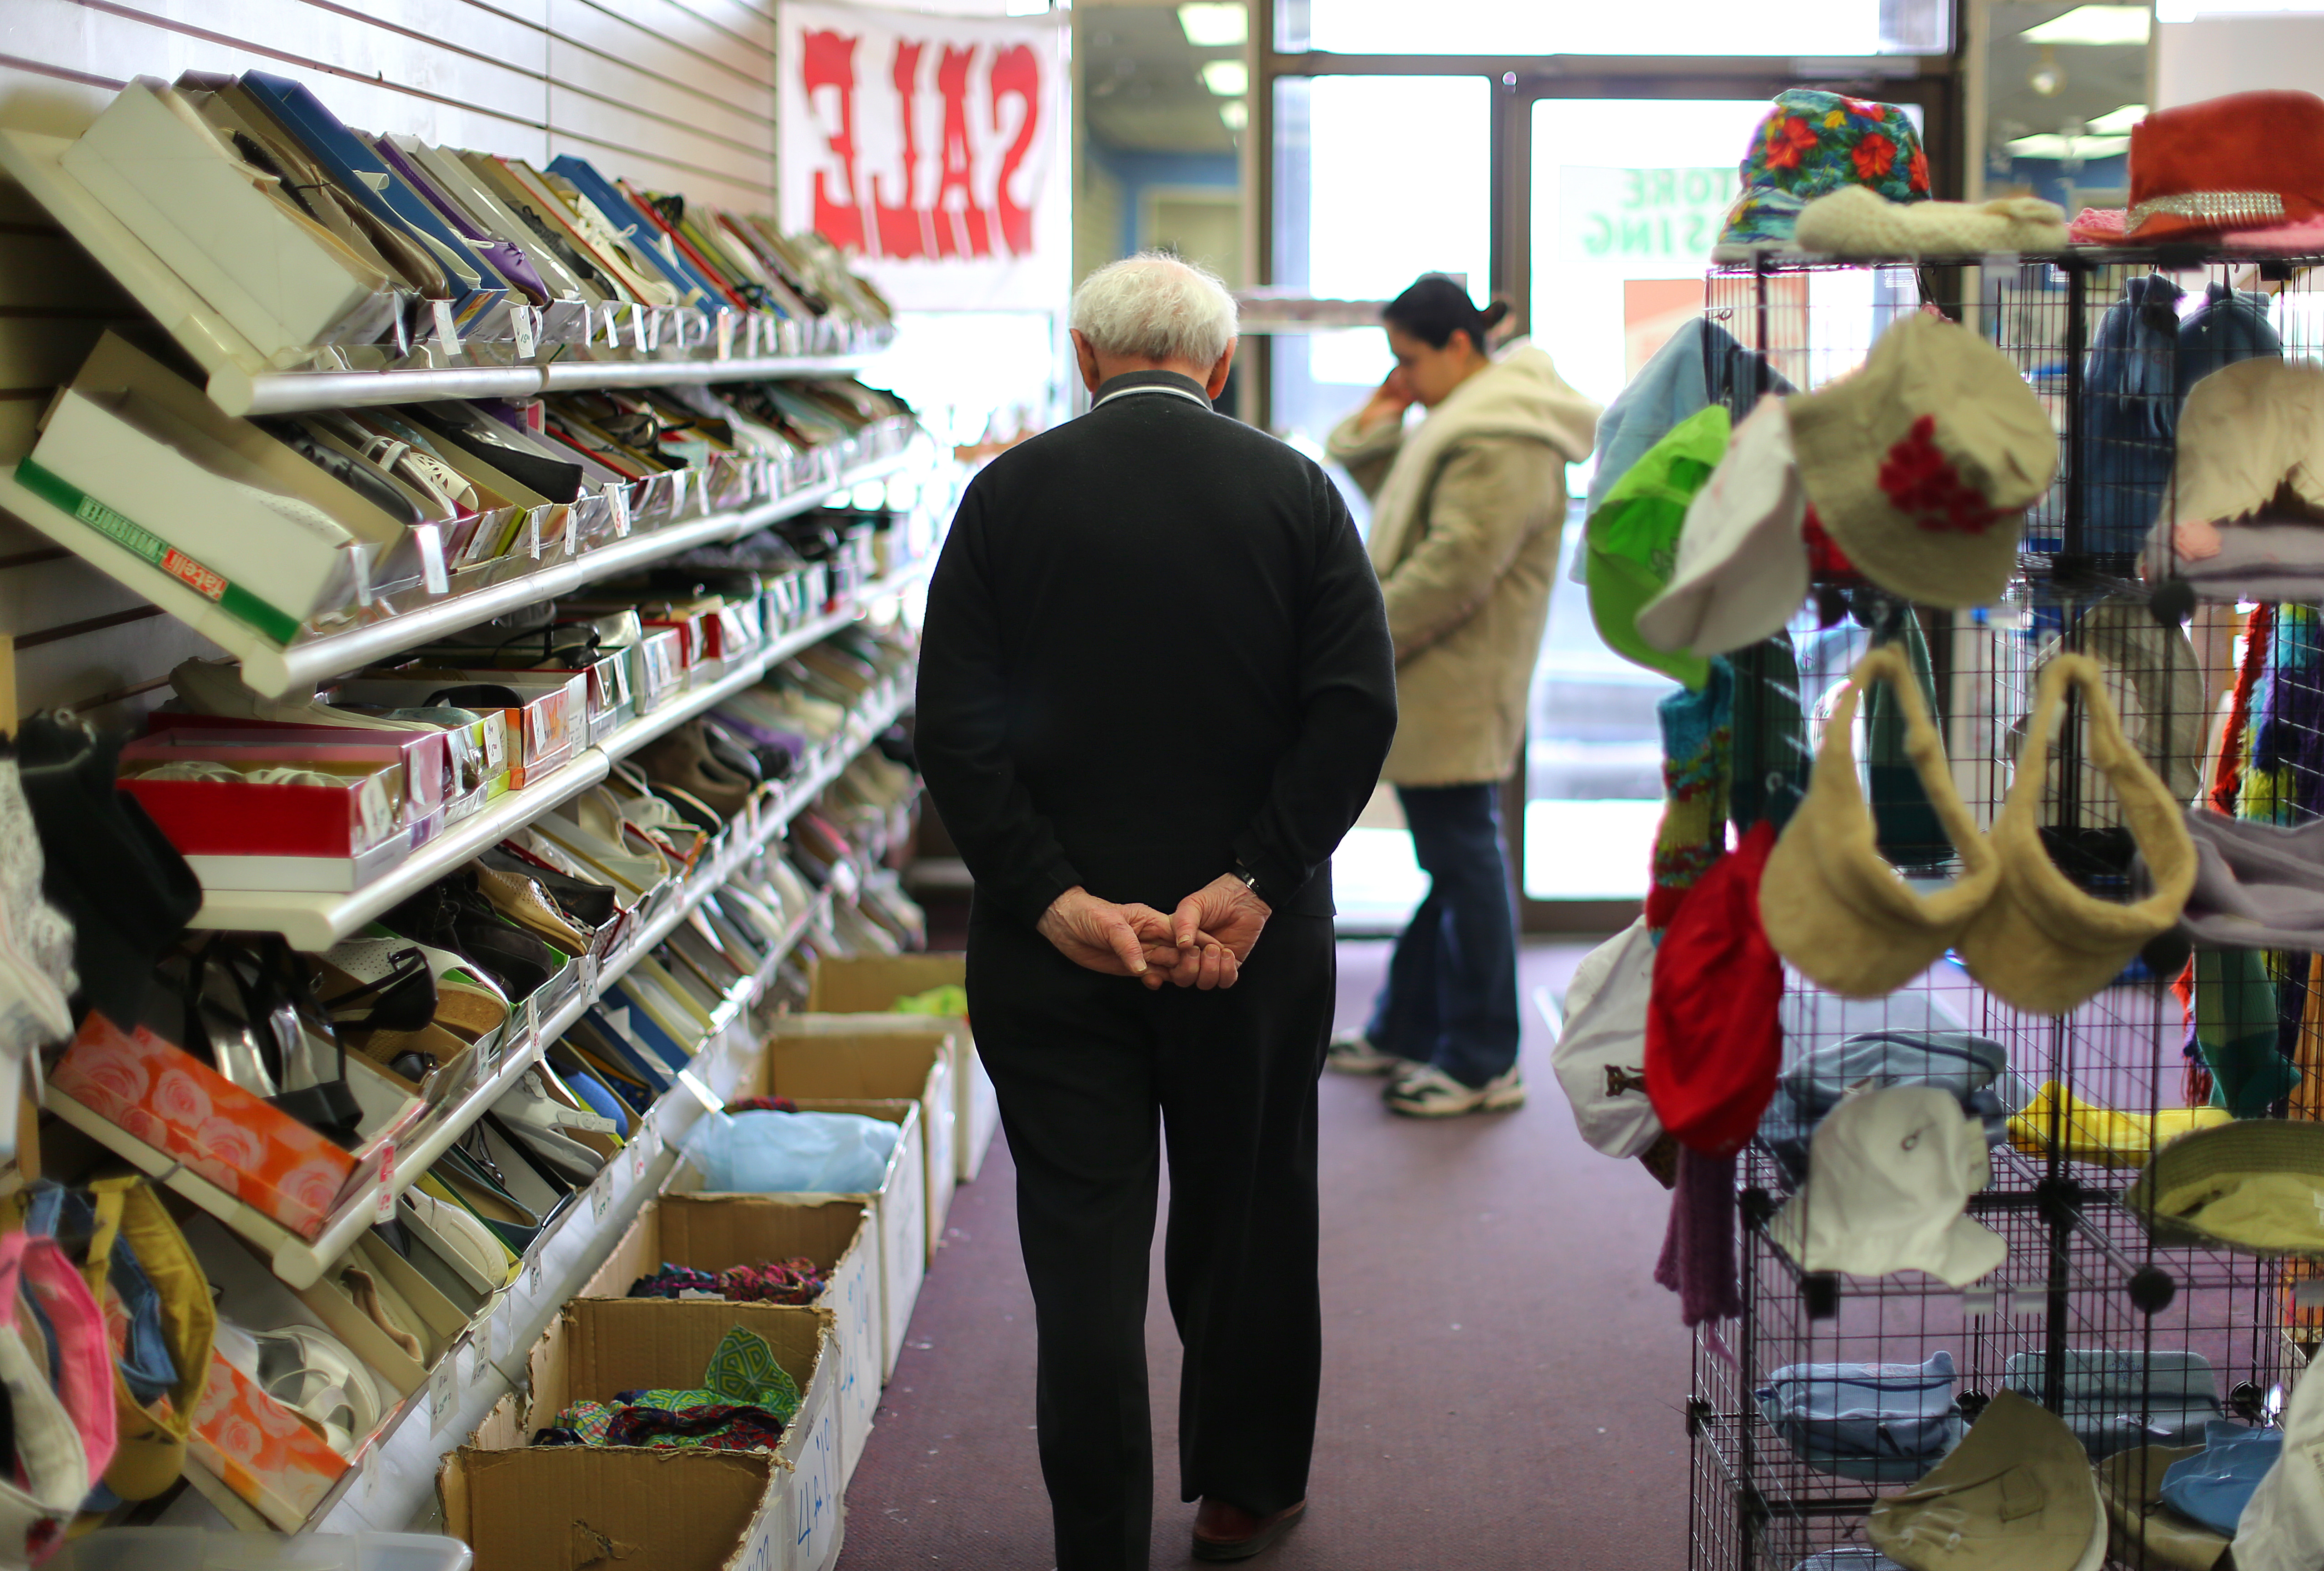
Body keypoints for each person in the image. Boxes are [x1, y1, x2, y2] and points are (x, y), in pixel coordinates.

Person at [914, 254, 1397, 1570]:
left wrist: (1055, 898)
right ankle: (1243, 1494)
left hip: (1055, 950)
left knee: (1081, 1245)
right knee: (1248, 1215)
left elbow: (953, 734)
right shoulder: (1297, 492)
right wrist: (1252, 883)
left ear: (1084, 360)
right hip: (1249, 948)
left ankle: (1098, 1537)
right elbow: (1355, 711)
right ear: (1222, 367)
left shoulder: (1005, 497)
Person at [1322, 274, 1602, 1116]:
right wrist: (1384, 415)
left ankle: (1484, 1059)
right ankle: (1406, 1028)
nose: (1401, 380)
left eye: (1409, 360)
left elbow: (1453, 571)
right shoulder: (1465, 418)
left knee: (1465, 862)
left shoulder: (1502, 434)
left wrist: (1354, 643)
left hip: (1458, 675)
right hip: (1443, 671)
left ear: (1458, 346)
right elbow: (1409, 516)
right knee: (1453, 864)